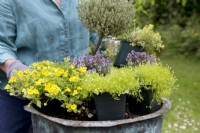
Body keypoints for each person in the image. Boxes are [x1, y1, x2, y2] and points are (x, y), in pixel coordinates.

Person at [0, 0, 98, 132]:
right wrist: (14, 68)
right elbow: (2, 44)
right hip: (22, 96)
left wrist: (115, 49)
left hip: (79, 91)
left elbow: (100, 31)